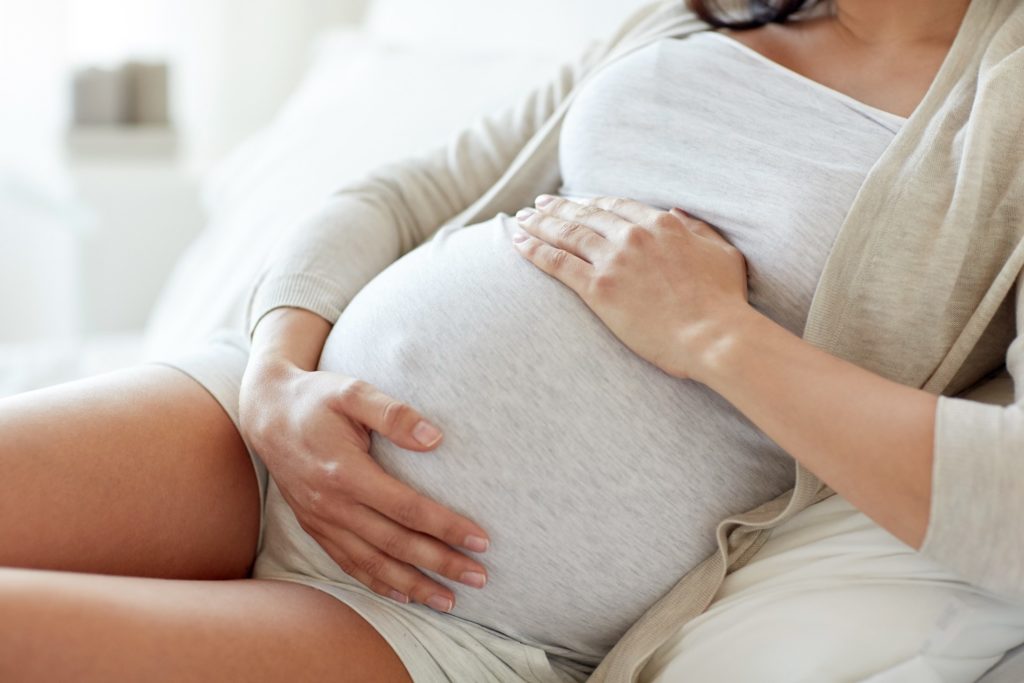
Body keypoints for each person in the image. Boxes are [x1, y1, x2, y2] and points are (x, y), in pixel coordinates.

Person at [2, 0, 1022, 681]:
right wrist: (277, 366)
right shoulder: (687, 15)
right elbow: (394, 194)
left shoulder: (1004, 105)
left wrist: (713, 333)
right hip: (252, 428)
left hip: (442, 612)